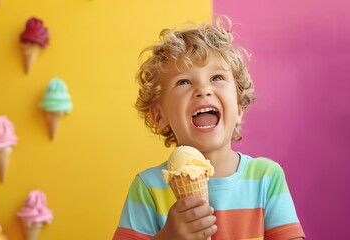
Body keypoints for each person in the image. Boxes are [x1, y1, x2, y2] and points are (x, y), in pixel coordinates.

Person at [112, 16, 305, 240]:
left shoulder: (266, 178)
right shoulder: (148, 188)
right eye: (183, 82)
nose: (203, 90)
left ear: (239, 107)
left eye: (217, 77)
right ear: (159, 115)